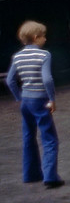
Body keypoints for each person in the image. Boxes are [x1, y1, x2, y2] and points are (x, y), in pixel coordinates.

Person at [4, 21, 64, 189]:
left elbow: (10, 80)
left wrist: (19, 98)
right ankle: (50, 176)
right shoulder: (44, 55)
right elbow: (47, 79)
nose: (45, 39)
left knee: (28, 136)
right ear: (36, 37)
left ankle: (30, 174)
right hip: (40, 100)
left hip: (26, 101)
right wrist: (51, 98)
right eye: (43, 36)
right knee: (49, 137)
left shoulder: (17, 56)